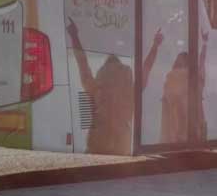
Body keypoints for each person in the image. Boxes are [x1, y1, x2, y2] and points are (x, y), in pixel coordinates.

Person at [67, 17, 158, 155]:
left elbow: (82, 62)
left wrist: (74, 36)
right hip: (122, 145)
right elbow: (146, 68)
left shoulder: (96, 88)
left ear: (103, 71)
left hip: (98, 142)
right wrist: (155, 45)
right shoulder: (131, 92)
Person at [159, 31, 209, 144]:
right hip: (195, 131)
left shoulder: (171, 77)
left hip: (175, 133)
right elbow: (202, 62)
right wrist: (205, 43)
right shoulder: (195, 78)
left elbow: (166, 105)